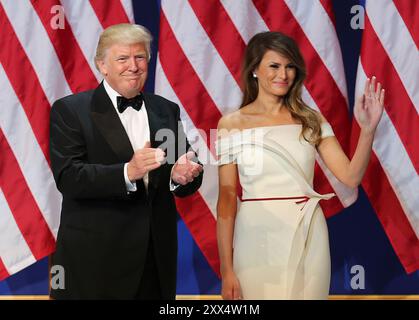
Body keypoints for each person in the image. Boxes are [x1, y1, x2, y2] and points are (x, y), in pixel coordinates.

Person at [216, 31, 384, 300]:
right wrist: (226, 268)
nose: (283, 74)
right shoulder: (231, 124)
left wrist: (368, 130)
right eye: (274, 65)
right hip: (256, 235)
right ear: (254, 70)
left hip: (308, 231)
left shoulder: (311, 119)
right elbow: (226, 198)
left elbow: (350, 177)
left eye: (290, 66)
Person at [49, 23, 203, 299]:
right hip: (95, 262)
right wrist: (127, 172)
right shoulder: (71, 110)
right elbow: (69, 177)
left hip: (154, 262)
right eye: (122, 58)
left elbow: (186, 167)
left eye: (140, 57)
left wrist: (179, 176)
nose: (133, 66)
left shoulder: (165, 109)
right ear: (102, 65)